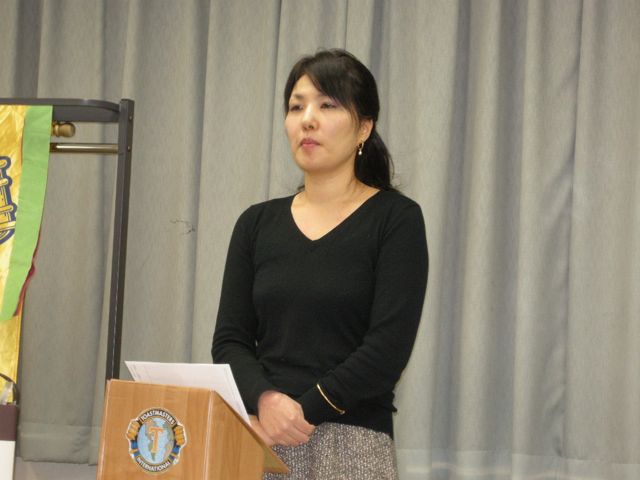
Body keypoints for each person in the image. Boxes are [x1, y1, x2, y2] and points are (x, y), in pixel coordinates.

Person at [212, 49, 428, 479]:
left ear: (364, 127)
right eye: (296, 107)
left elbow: (386, 352)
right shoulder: (256, 223)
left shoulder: (396, 219)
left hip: (352, 442)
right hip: (260, 434)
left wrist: (301, 412)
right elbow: (230, 341)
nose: (307, 120)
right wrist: (267, 402)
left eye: (327, 105)